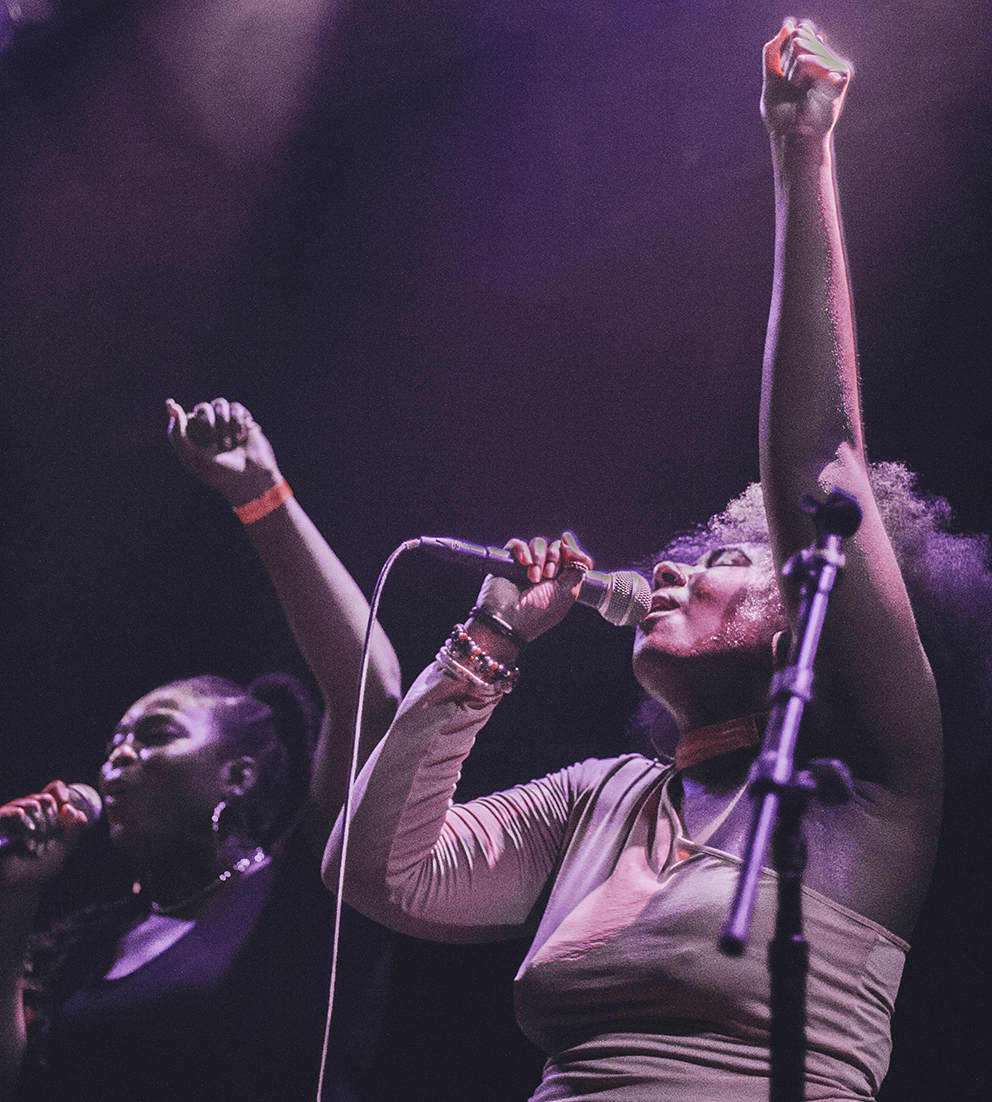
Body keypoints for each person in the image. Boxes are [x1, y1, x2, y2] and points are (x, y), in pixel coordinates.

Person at [322, 21, 982, 1100]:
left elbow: (816, 459)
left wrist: (798, 147)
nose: (670, 571)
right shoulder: (601, 800)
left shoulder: (870, 785)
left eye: (728, 555)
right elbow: (379, 873)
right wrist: (481, 649)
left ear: (806, 609)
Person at [0, 398, 402, 1102]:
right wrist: (15, 898)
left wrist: (258, 493)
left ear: (238, 774)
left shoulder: (308, 888)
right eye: (115, 743)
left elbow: (369, 688)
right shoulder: (89, 950)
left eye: (155, 735)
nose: (116, 759)